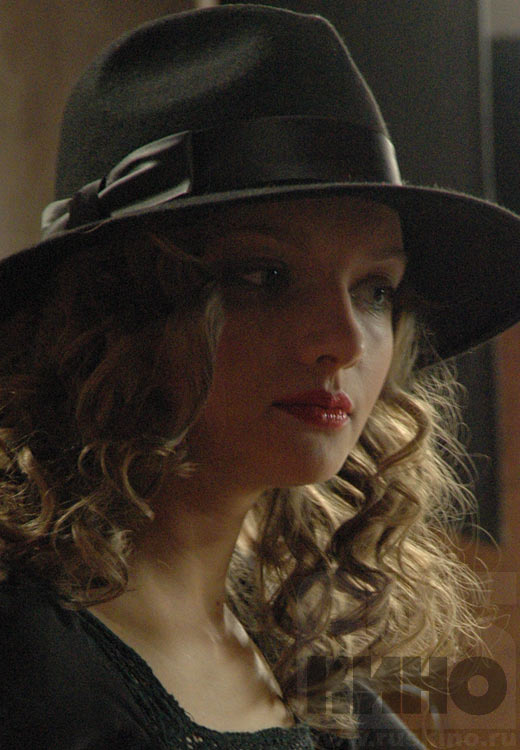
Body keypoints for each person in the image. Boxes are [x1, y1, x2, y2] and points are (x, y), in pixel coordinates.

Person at [0, 5, 519, 749]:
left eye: (375, 290)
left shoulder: (303, 663)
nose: (343, 341)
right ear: (112, 312)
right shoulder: (30, 671)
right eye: (263, 276)